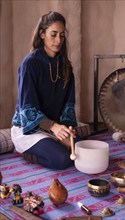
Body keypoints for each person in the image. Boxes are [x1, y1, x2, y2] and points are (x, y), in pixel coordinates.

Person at [11, 11, 80, 170]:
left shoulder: (66, 67)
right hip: (29, 129)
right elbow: (27, 109)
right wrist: (53, 127)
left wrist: (66, 132)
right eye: (53, 34)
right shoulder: (30, 64)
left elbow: (68, 106)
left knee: (80, 149)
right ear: (42, 34)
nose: (58, 40)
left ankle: (57, 143)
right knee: (62, 160)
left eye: (62, 35)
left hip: (55, 128)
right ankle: (24, 153)